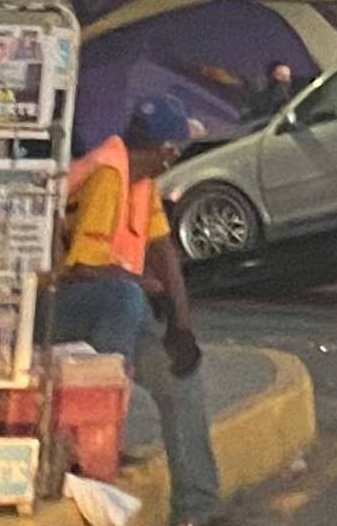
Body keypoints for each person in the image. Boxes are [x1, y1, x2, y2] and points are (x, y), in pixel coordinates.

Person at [53, 95, 224, 526]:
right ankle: (97, 441)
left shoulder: (140, 177)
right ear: (166, 152)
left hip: (114, 309)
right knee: (125, 301)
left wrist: (183, 326)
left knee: (182, 378)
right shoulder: (110, 173)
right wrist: (148, 287)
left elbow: (162, 248)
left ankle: (196, 512)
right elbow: (86, 268)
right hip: (65, 307)